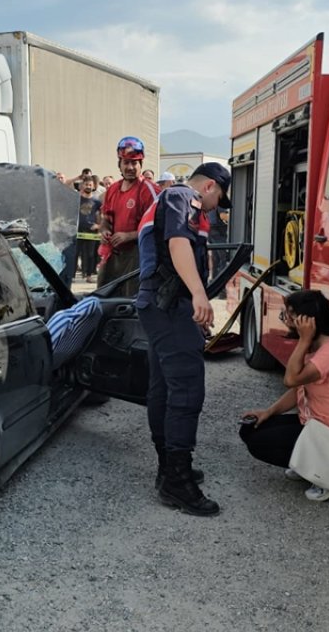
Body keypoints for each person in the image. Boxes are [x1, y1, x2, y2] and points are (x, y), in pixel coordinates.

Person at [135, 161, 230, 517]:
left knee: (163, 386)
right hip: (169, 302)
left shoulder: (167, 197)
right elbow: (178, 246)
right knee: (187, 388)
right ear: (209, 187)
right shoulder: (182, 196)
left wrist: (194, 305)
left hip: (164, 304)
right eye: (219, 197)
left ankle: (169, 468)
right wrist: (199, 297)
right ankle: (176, 478)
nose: (217, 206)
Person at [239, 290, 329, 501]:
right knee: (250, 429)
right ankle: (307, 464)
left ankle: (327, 472)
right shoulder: (316, 346)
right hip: (312, 423)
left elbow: (291, 379)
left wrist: (303, 340)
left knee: (259, 443)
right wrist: (268, 412)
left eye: (292, 315)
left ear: (309, 319)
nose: (287, 319)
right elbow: (297, 391)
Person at [97, 137, 158, 296]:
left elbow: (159, 226)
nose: (130, 167)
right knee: (104, 295)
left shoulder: (149, 190)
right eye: (126, 162)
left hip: (139, 255)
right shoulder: (112, 189)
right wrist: (104, 231)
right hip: (114, 254)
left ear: (141, 165)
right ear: (120, 164)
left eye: (135, 163)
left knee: (132, 300)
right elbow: (106, 219)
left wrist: (129, 236)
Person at [76, 179, 102, 281]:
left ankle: (89, 275)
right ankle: (72, 276)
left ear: (94, 186)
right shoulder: (77, 199)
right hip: (78, 229)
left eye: (90, 185)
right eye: (86, 184)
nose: (88, 186)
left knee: (90, 254)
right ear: (82, 186)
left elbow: (100, 215)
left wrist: (99, 226)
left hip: (91, 231)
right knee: (75, 253)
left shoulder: (97, 202)